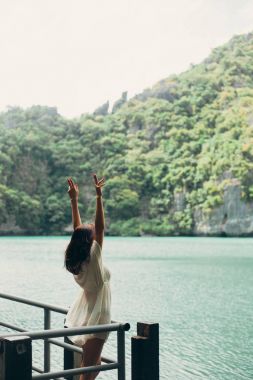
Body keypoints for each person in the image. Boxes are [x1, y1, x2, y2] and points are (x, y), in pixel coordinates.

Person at [64, 174, 111, 380]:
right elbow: (100, 227)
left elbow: (77, 230)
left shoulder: (79, 260)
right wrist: (99, 196)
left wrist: (74, 200)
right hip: (99, 313)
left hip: (86, 310)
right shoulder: (93, 258)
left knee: (94, 363)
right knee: (89, 367)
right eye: (92, 233)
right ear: (90, 242)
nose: (95, 231)